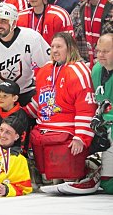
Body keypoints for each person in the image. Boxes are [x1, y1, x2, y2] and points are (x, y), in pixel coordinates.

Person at [24, 32, 98, 194]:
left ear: (70, 48)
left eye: (59, 46)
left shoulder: (78, 71)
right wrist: (16, 114)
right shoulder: (44, 71)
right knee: (48, 180)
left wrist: (81, 137)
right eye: (52, 47)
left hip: (67, 134)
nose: (54, 50)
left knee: (66, 178)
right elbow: (39, 102)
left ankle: (86, 169)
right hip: (43, 133)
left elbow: (86, 107)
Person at [0, 2, 50, 128]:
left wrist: (41, 93)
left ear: (14, 23)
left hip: (25, 92)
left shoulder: (32, 38)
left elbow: (48, 66)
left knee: (30, 128)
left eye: (3, 21)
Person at [91, 33, 113, 194]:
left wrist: (104, 119)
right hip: (105, 129)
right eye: (99, 51)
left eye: (106, 51)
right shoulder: (97, 69)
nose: (100, 55)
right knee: (107, 185)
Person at [71, 0, 113, 68]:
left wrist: (96, 63)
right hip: (83, 66)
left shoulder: (111, 8)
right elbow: (70, 40)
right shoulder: (79, 8)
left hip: (108, 68)